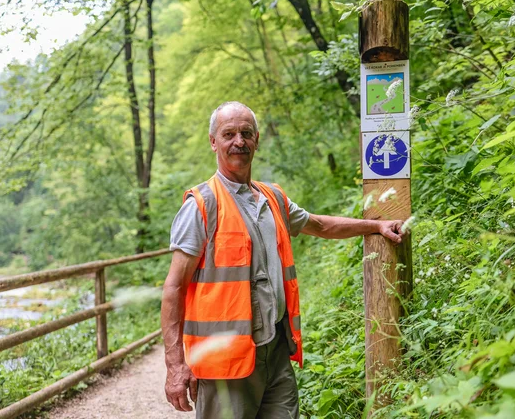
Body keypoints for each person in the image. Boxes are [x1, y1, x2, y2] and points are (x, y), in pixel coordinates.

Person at [162, 101, 406, 418]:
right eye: (229, 134)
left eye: (246, 133)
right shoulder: (202, 205)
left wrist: (375, 226)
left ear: (257, 140)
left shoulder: (273, 198)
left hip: (276, 352)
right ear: (213, 142)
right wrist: (175, 364)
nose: (239, 141)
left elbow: (320, 225)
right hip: (226, 363)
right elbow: (174, 288)